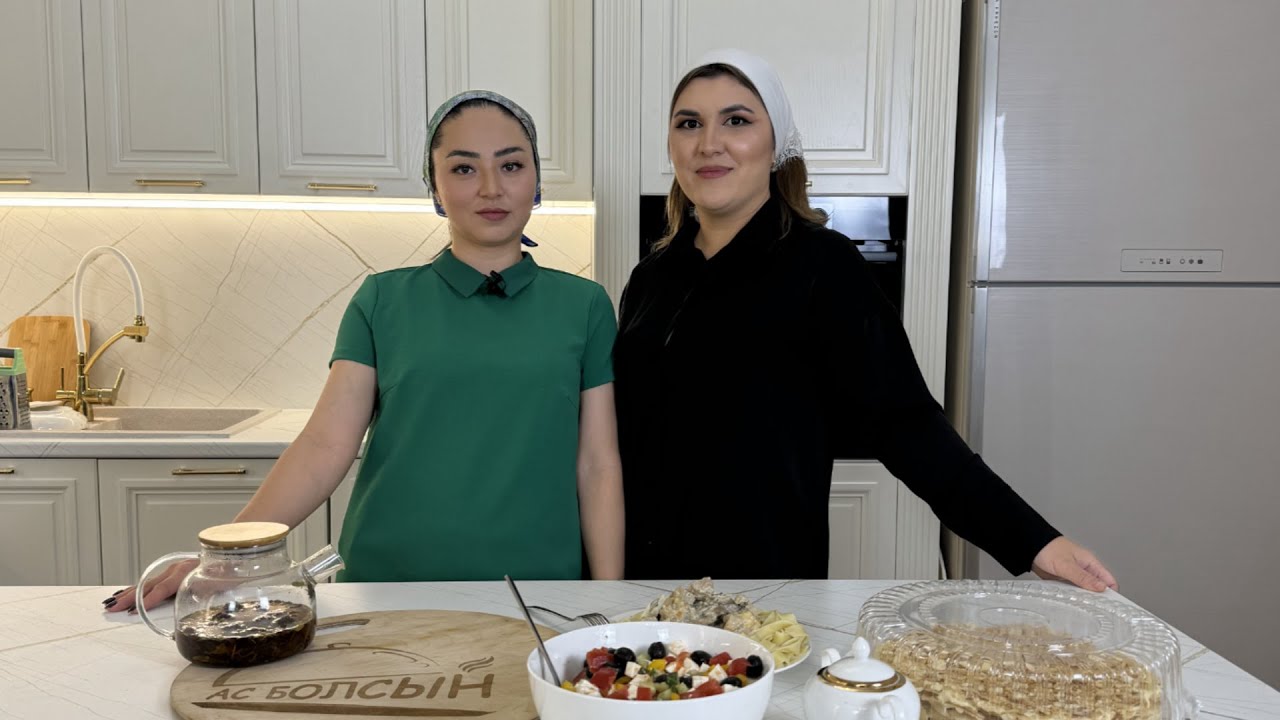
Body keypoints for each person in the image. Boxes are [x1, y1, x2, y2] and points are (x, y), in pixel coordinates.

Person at [612, 49, 1117, 591]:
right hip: (642, 591)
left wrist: (1033, 540)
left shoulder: (822, 265)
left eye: (736, 121)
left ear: (776, 145)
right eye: (689, 124)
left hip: (760, 592)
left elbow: (905, 423)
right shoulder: (651, 278)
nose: (709, 143)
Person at [105, 91, 624, 613]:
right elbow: (325, 445)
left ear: (537, 181)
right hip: (387, 586)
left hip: (538, 593)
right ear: (436, 188)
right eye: (464, 169)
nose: (491, 187)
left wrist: (609, 602)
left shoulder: (583, 305)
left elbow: (597, 465)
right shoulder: (383, 299)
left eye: (511, 165)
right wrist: (230, 556)